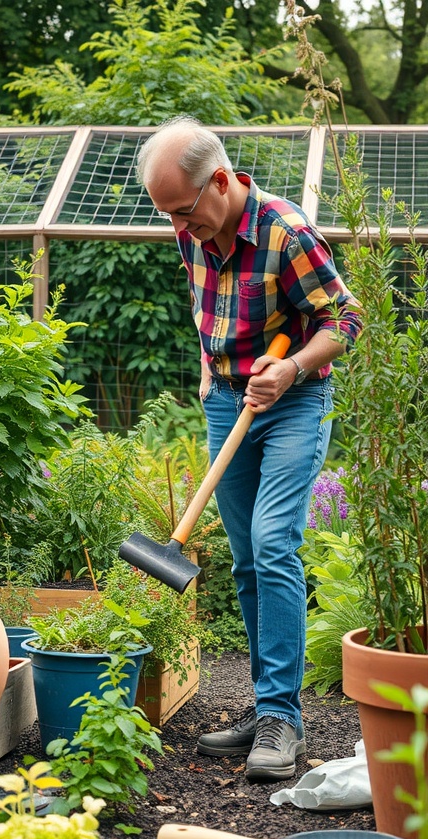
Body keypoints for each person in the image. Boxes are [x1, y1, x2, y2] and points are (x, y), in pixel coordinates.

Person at [136, 116, 362, 781]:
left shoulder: (285, 233)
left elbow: (346, 319)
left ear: (222, 182)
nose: (179, 228)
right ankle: (266, 708)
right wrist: (211, 365)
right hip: (227, 403)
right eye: (168, 216)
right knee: (244, 559)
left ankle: (283, 722)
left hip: (293, 402)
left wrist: (289, 369)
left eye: (184, 212)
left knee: (272, 544)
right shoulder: (192, 230)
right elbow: (201, 293)